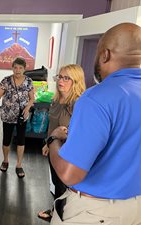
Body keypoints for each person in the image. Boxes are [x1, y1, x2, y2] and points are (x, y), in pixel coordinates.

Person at [48, 23, 141, 225]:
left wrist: (53, 140)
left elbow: (69, 174)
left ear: (105, 54)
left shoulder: (97, 98)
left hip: (96, 212)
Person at [37, 64, 86, 222]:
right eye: (59, 76)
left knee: (65, 188)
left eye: (66, 78)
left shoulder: (78, 104)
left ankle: (61, 217)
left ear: (76, 81)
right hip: (54, 149)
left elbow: (80, 134)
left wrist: (56, 138)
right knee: (57, 184)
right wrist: (48, 143)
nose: (61, 81)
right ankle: (55, 210)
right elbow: (52, 127)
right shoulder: (56, 99)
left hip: (68, 155)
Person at [0, 57, 34, 178]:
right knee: (6, 139)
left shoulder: (29, 81)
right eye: (15, 67)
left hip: (22, 116)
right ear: (12, 68)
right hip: (7, 116)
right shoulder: (6, 81)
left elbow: (32, 98)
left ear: (25, 69)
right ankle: (5, 161)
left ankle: (19, 165)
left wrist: (28, 107)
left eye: (20, 68)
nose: (18, 70)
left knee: (21, 140)